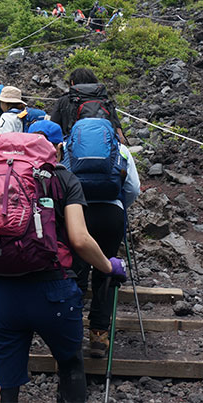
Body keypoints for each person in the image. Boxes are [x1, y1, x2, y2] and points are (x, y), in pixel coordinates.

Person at [0, 122, 127, 403]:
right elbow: (80, 239)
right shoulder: (64, 178)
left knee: (2, 377)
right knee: (70, 364)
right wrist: (109, 267)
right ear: (59, 148)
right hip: (52, 290)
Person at [70, 140, 140, 359]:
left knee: (76, 271)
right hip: (112, 214)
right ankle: (99, 336)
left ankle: (71, 332)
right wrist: (120, 206)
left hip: (78, 212)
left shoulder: (69, 145)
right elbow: (133, 188)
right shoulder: (120, 149)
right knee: (108, 268)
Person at [50, 68, 127, 144]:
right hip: (105, 147)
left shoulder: (64, 101)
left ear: (72, 83)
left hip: (73, 147)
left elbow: (53, 128)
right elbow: (119, 133)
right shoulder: (105, 101)